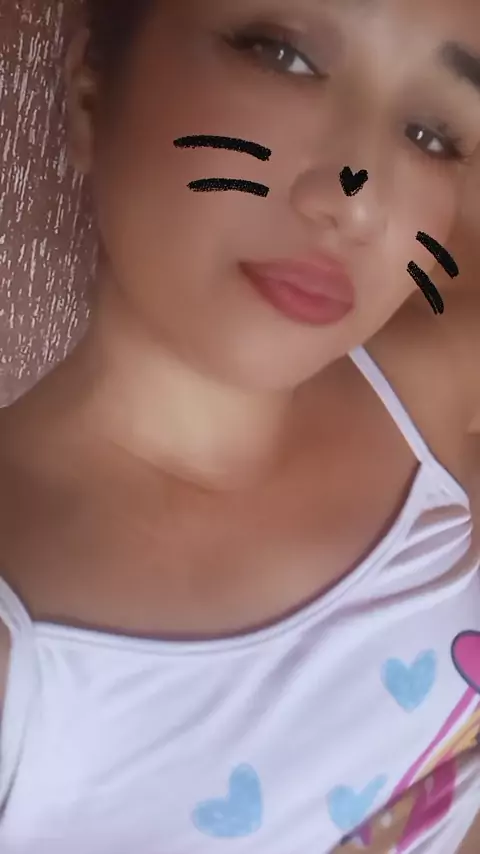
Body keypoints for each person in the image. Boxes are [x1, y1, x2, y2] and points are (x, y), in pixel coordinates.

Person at [0, 0, 479, 850]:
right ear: (88, 93)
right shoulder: (26, 640)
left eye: (430, 134)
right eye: (280, 57)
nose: (357, 201)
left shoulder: (425, 389)